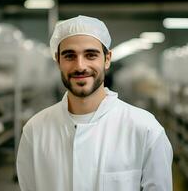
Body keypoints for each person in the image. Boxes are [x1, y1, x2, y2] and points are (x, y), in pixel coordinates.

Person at [16, 15, 173, 191]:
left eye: (91, 55)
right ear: (58, 60)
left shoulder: (145, 129)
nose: (80, 66)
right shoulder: (35, 130)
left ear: (107, 59)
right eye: (69, 56)